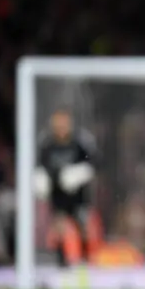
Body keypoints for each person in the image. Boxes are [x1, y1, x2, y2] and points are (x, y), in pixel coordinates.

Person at [34, 108, 97, 267]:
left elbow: (93, 164)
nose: (61, 127)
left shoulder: (80, 143)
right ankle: (61, 263)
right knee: (60, 229)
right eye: (57, 123)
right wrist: (40, 180)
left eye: (64, 123)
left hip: (78, 196)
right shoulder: (47, 145)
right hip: (58, 196)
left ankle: (85, 261)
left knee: (83, 226)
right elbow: (39, 166)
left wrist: (80, 173)